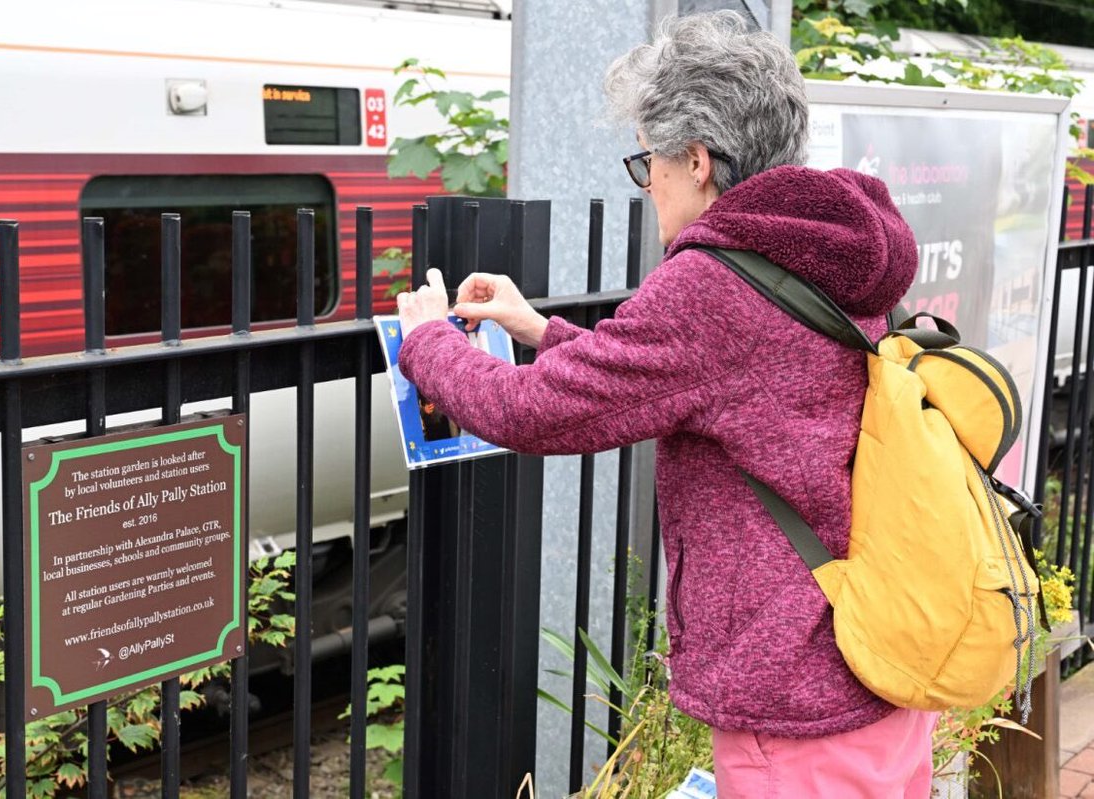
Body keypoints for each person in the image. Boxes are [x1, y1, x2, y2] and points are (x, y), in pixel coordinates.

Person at [395, 11, 931, 798]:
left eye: (650, 165)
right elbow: (698, 381)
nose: (650, 187)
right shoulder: (827, 250)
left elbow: (539, 414)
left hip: (793, 703)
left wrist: (424, 344)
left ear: (698, 159)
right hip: (874, 657)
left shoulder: (715, 282)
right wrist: (541, 329)